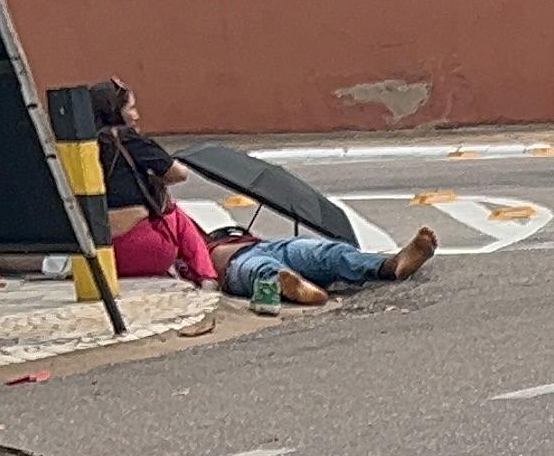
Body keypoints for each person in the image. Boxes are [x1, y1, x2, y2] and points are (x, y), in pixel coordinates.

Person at [92, 81, 221, 287]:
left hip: (98, 256)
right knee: (174, 213)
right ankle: (206, 276)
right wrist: (155, 178)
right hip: (145, 252)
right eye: (131, 108)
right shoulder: (125, 138)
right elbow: (179, 174)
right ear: (116, 112)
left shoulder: (80, 145)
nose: (136, 115)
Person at [207, 223, 437, 306]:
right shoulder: (192, 250)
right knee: (261, 269)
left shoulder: (235, 237)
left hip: (272, 246)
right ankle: (290, 285)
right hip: (234, 265)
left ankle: (392, 264)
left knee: (329, 253)